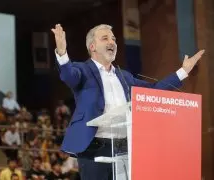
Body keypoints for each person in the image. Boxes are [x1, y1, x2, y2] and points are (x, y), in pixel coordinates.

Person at [51, 24, 205, 180]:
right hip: (93, 148)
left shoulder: (125, 76)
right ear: (92, 47)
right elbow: (68, 75)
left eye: (113, 39)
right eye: (105, 38)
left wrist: (183, 71)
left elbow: (153, 90)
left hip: (124, 147)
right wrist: (62, 53)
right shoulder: (82, 70)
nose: (112, 42)